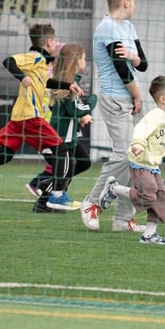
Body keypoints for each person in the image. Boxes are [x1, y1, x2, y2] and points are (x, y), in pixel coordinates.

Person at [0, 23, 82, 210]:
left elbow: (45, 81)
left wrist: (67, 85)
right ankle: (56, 195)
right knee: (62, 150)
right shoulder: (35, 57)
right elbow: (9, 61)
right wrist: (21, 78)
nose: (55, 45)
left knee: (4, 155)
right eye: (54, 41)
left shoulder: (40, 62)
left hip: (19, 118)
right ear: (49, 41)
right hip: (30, 117)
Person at [79, 0, 149, 232]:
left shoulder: (127, 27)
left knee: (137, 156)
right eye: (134, 1)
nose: (135, 6)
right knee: (122, 154)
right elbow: (121, 71)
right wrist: (138, 97)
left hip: (131, 97)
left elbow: (142, 64)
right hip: (117, 98)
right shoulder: (107, 28)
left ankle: (123, 219)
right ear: (126, 2)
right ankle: (91, 202)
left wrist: (132, 56)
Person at [98, 76, 165, 245]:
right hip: (140, 164)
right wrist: (138, 145)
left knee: (160, 199)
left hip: (153, 167)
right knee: (148, 197)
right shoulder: (154, 116)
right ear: (163, 99)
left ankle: (149, 235)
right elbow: (140, 131)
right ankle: (115, 189)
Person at [26, 44, 97, 213]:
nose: (85, 61)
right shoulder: (67, 83)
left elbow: (70, 110)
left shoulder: (70, 81)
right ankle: (45, 200)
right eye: (84, 58)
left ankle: (48, 186)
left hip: (69, 134)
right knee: (66, 168)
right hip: (62, 136)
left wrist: (80, 117)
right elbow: (74, 110)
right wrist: (93, 101)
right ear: (76, 61)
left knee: (83, 162)